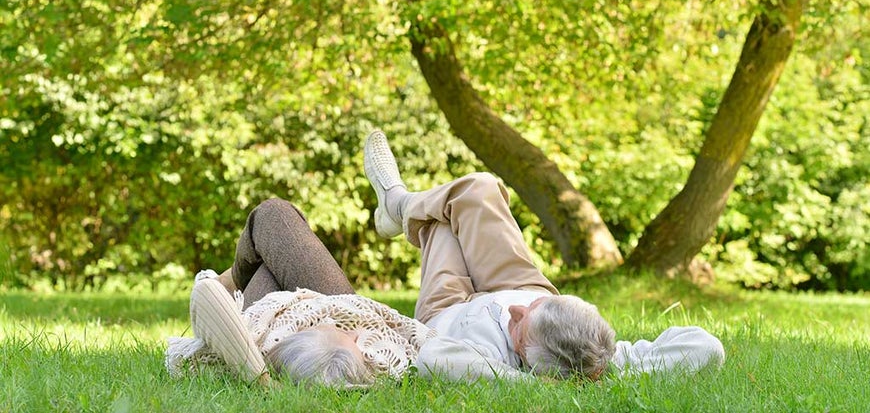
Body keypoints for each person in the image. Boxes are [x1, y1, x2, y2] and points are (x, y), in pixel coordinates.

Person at [362, 130, 725, 381]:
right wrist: (538, 307)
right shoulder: (604, 358)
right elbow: (707, 348)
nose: (515, 312)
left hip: (448, 307)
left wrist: (534, 386)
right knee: (481, 188)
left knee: (438, 223)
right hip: (518, 282)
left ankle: (396, 202)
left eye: (520, 327)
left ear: (534, 364)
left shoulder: (489, 361)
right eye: (530, 311)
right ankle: (398, 205)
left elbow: (432, 360)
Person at [165, 198, 437, 387]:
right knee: (274, 227)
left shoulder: (261, 338)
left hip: (273, 328)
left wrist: (261, 379)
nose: (355, 333)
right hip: (331, 309)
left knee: (274, 217)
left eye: (341, 331)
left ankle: (231, 283)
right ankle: (233, 283)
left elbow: (204, 295)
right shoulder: (388, 351)